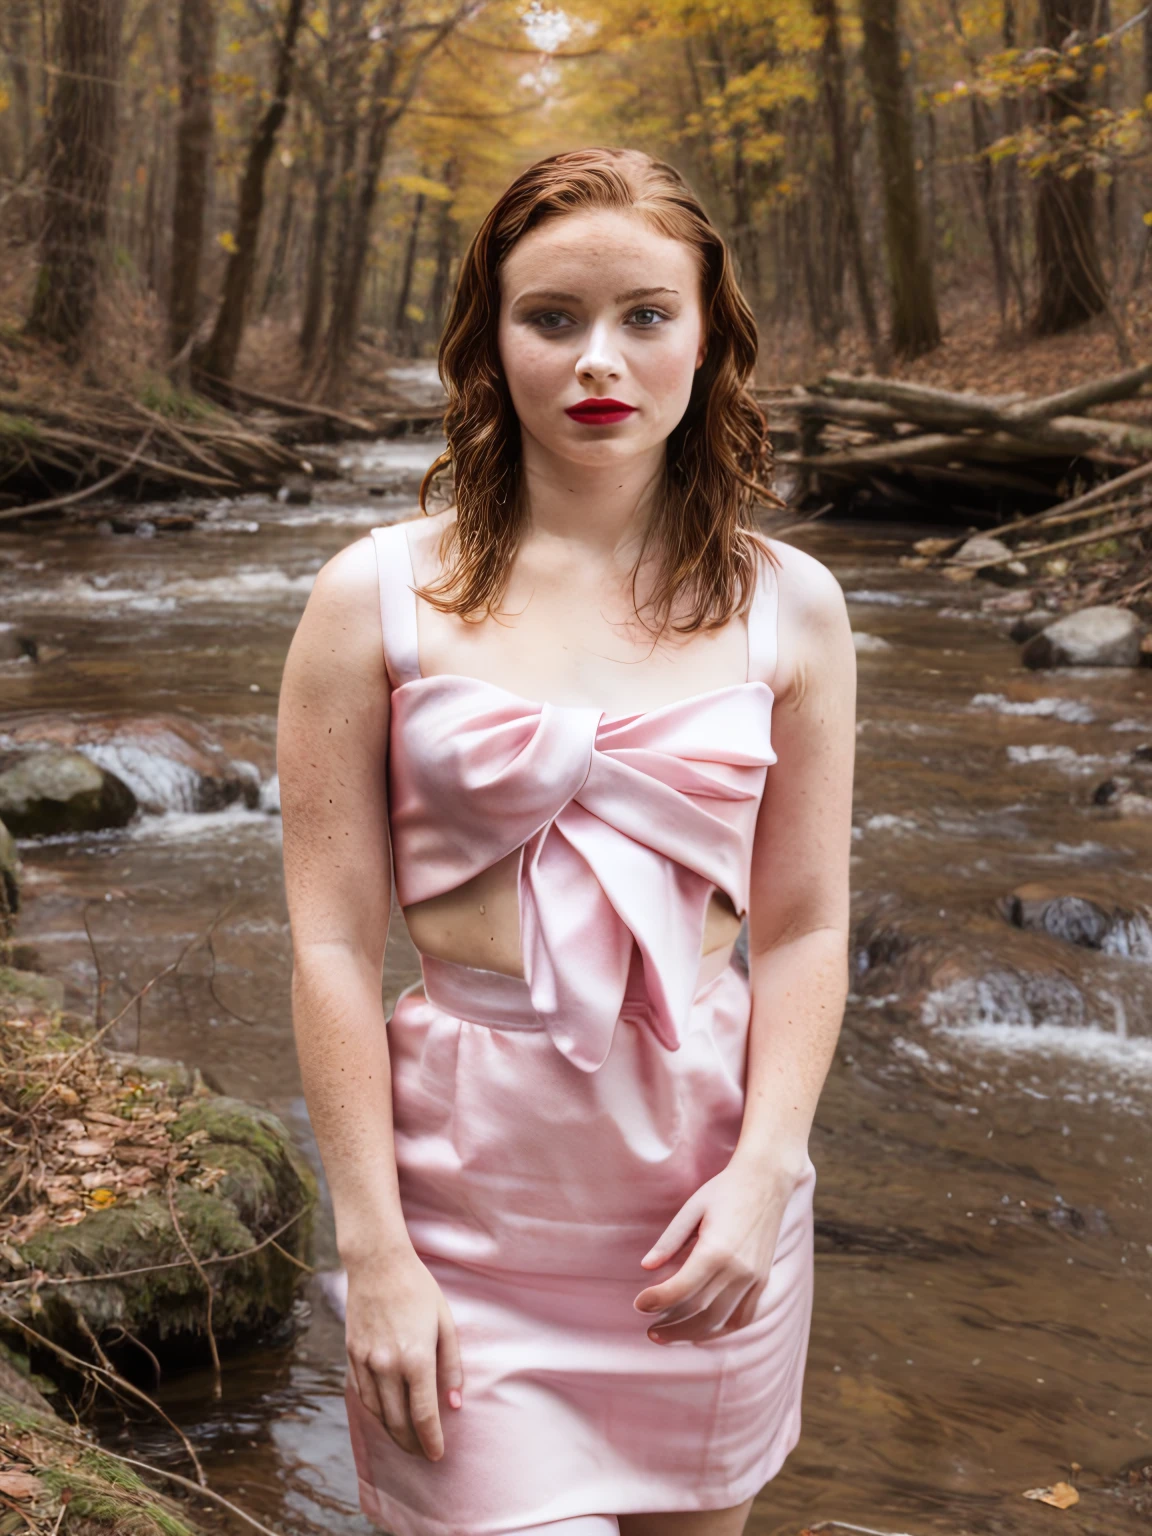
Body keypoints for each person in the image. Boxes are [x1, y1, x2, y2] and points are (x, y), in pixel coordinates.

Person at [277, 146, 856, 1536]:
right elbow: (331, 943)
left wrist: (766, 1173)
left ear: (708, 336)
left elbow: (803, 928)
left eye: (646, 315)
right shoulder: (373, 601)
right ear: (490, 342)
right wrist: (377, 1250)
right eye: (553, 319)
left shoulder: (797, 608)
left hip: (704, 1216)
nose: (601, 359)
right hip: (460, 1225)